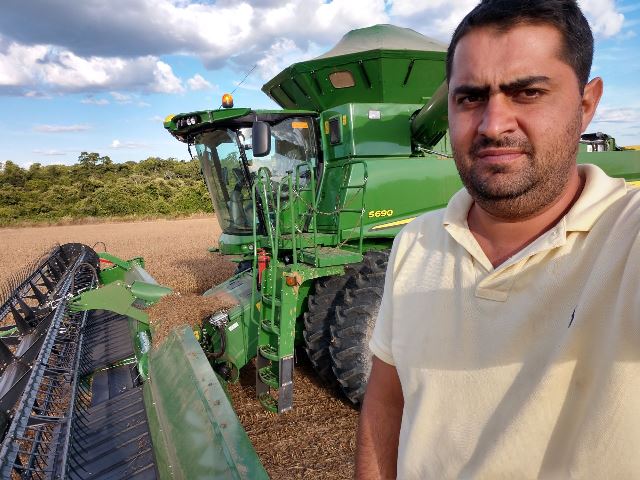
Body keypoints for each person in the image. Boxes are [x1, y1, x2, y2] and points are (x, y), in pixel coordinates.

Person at [356, 0, 640, 478]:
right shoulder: (415, 241)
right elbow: (386, 401)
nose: (492, 125)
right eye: (470, 98)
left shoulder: (626, 238)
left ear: (587, 103)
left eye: (527, 92)